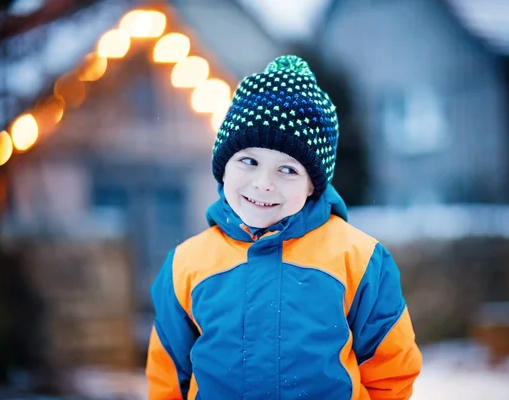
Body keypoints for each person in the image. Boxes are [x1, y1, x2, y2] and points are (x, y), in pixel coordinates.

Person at [146, 55, 422, 400]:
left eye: (287, 170)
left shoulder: (362, 260)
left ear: (312, 185)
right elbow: (168, 378)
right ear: (224, 167)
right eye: (249, 161)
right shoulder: (184, 266)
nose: (263, 183)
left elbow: (390, 373)